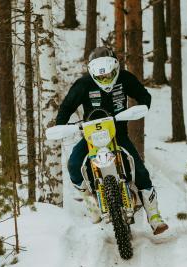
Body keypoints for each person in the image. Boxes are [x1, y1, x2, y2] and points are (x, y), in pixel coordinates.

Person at [56, 47, 168, 235]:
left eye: (109, 75)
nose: (105, 79)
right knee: (74, 164)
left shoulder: (125, 78)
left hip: (118, 133)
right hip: (91, 136)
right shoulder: (83, 84)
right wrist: (61, 125)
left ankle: (154, 216)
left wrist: (142, 108)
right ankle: (91, 204)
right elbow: (66, 107)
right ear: (92, 73)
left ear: (115, 69)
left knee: (138, 169)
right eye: (101, 76)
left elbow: (144, 96)